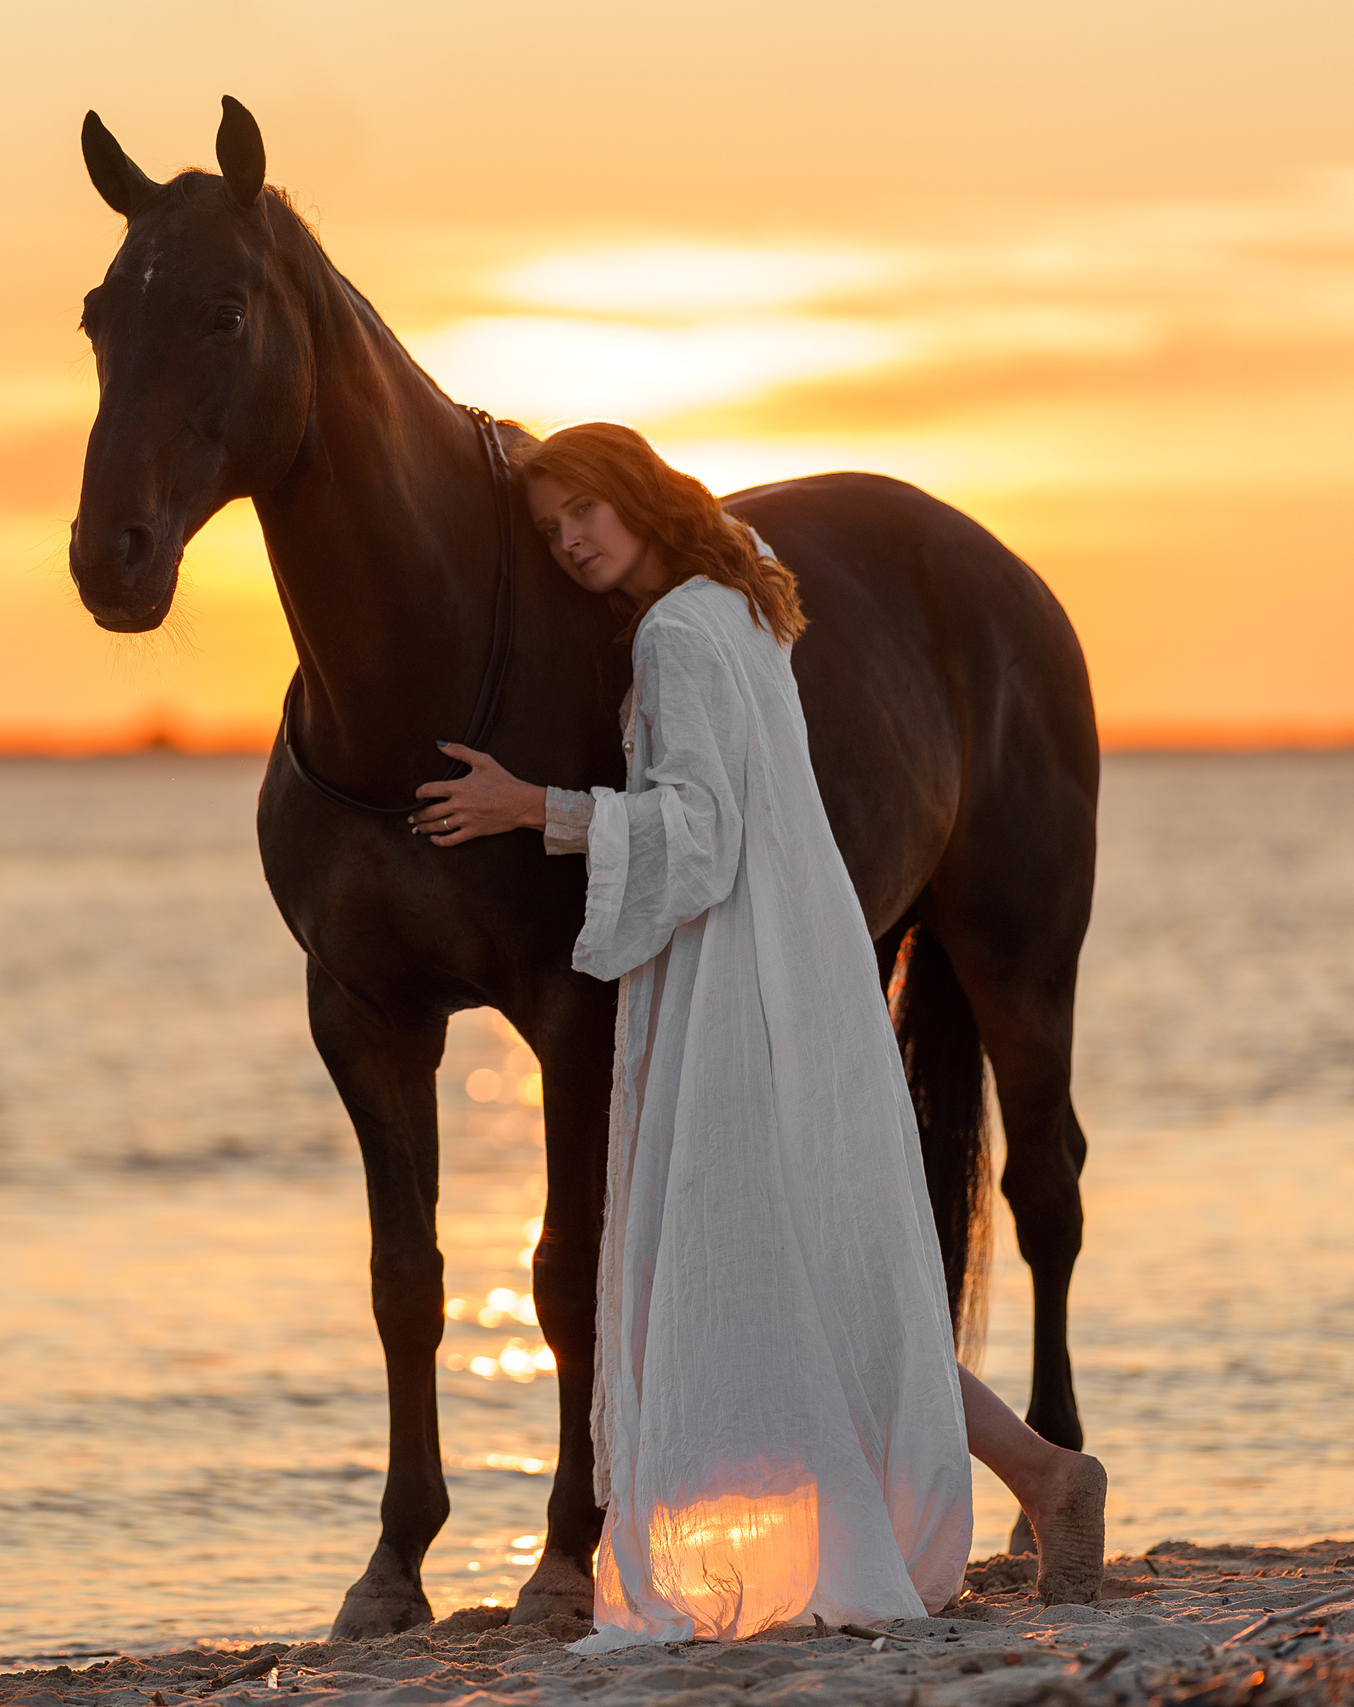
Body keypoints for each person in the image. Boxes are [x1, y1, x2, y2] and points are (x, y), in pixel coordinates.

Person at [408, 422, 1107, 1649]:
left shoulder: (675, 633)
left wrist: (529, 807)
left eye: (584, 511)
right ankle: (1043, 1475)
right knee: (825, 1279)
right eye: (549, 525)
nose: (569, 539)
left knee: (766, 1273)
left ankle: (1033, 1478)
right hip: (810, 951)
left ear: (633, 498)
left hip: (736, 973)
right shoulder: (739, 597)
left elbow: (697, 834)